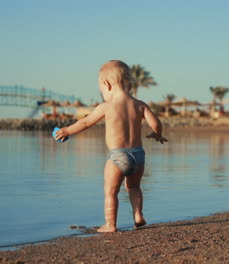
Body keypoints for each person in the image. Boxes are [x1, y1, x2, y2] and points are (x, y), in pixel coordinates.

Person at [54, 60, 167, 233]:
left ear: (106, 85)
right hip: (139, 155)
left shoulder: (106, 106)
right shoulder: (139, 105)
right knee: (134, 187)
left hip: (118, 156)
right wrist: (157, 134)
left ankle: (110, 224)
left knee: (110, 191)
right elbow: (156, 123)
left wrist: (66, 131)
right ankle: (138, 215)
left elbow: (85, 122)